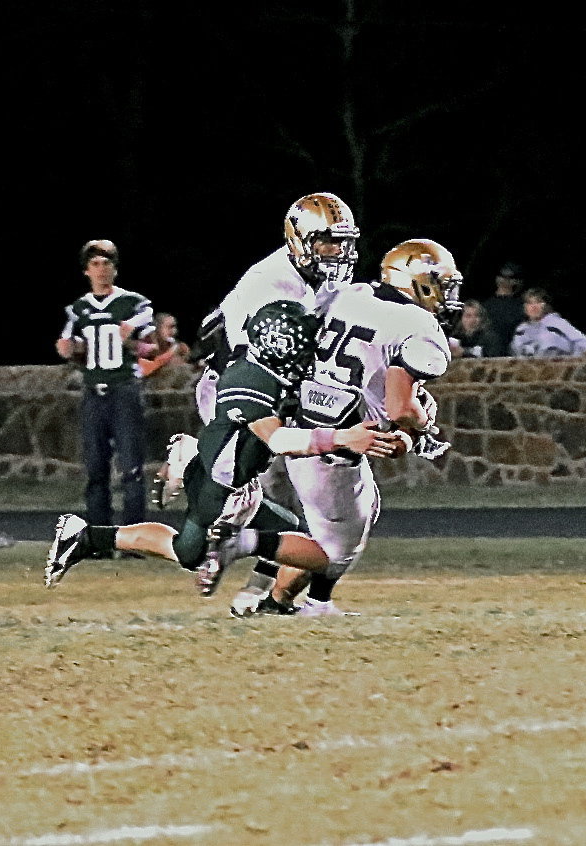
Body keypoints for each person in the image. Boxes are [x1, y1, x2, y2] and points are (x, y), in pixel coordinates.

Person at [44, 301, 397, 592]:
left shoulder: (272, 371)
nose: (310, 357)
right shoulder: (250, 380)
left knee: (287, 536)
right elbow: (278, 439)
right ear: (282, 347)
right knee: (191, 553)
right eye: (304, 348)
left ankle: (90, 535)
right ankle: (88, 535)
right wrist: (339, 438)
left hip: (232, 476)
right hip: (221, 485)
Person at [178, 191, 360, 614]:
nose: (338, 251)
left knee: (292, 497)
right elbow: (254, 364)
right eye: (328, 241)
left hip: (281, 382)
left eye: (342, 241)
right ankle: (193, 464)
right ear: (300, 239)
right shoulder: (269, 286)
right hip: (238, 388)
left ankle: (256, 590)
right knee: (245, 498)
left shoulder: (322, 276)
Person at [261, 238, 462, 617]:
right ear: (417, 281)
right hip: (338, 439)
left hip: (309, 419)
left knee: (361, 514)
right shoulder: (417, 323)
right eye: (443, 284)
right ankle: (279, 597)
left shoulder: (353, 294)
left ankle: (302, 600)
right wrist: (423, 420)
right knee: (334, 547)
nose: (447, 295)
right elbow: (399, 406)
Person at [56, 239, 154, 531]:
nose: (101, 270)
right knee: (96, 467)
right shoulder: (78, 309)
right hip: (93, 392)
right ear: (86, 271)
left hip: (123, 389)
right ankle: (99, 534)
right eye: (95, 264)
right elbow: (70, 345)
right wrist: (68, 347)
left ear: (115, 269)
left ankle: (133, 535)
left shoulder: (133, 304)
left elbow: (151, 346)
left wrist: (134, 339)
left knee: (131, 467)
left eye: (106, 264)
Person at [509, 286, 586, 358]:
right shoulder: (520, 330)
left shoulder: (557, 324)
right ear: (525, 307)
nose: (534, 307)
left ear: (546, 306)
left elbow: (585, 344)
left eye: (538, 302)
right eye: (530, 303)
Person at [481, 262, 525, 354]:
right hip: (488, 350)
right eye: (503, 276)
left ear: (517, 281)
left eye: (510, 277)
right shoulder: (486, 305)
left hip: (513, 351)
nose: (506, 280)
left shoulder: (521, 305)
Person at [137, 312, 191, 378]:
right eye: (169, 327)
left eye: (174, 327)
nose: (174, 331)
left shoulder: (179, 348)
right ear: (157, 328)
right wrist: (172, 352)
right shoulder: (146, 345)